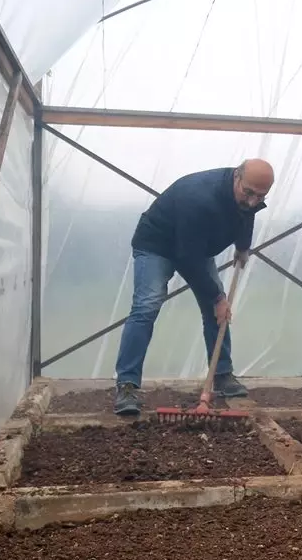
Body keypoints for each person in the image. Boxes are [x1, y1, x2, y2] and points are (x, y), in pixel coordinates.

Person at [113, 159, 274, 416]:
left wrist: (243, 246)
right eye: (249, 193)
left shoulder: (247, 195)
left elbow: (247, 214)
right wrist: (217, 297)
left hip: (195, 246)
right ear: (236, 177)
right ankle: (127, 385)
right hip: (157, 244)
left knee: (216, 310)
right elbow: (187, 257)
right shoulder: (199, 197)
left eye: (261, 196)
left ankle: (222, 375)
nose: (254, 200)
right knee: (147, 306)